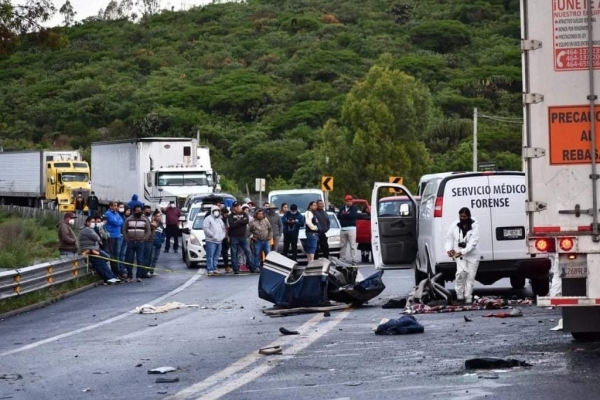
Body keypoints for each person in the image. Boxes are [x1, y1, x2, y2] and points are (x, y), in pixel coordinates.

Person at [445, 207, 480, 305]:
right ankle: (459, 296)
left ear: (468, 216)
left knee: (470, 277)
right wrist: (449, 250)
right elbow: (449, 238)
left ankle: (468, 297)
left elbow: (473, 242)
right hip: (459, 254)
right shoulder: (455, 225)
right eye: (461, 216)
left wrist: (463, 251)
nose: (462, 218)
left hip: (472, 255)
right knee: (460, 274)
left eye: (465, 216)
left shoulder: (474, 225)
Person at [79, 216, 120, 284]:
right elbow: (97, 237)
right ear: (87, 222)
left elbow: (99, 237)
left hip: (94, 249)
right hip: (89, 250)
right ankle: (109, 278)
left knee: (104, 260)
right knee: (100, 263)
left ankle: (112, 276)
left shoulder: (90, 229)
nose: (94, 223)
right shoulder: (87, 229)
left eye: (94, 222)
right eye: (92, 222)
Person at [228, 201, 260, 274]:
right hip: (234, 236)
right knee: (234, 253)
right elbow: (231, 225)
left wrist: (237, 221)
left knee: (248, 252)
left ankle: (252, 268)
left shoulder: (244, 213)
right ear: (233, 207)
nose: (238, 207)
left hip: (243, 236)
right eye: (236, 206)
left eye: (239, 206)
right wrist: (240, 222)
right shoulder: (230, 215)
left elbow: (246, 221)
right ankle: (235, 269)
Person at [122, 205, 151, 282]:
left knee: (140, 259)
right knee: (129, 259)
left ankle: (138, 276)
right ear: (134, 211)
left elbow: (148, 231)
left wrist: (144, 239)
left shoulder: (145, 219)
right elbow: (124, 230)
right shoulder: (129, 219)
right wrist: (127, 239)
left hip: (140, 243)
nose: (139, 212)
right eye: (137, 211)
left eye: (140, 210)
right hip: (131, 242)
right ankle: (129, 276)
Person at [104, 201, 127, 279]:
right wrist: (119, 221)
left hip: (117, 236)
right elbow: (116, 223)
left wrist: (119, 221)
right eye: (114, 205)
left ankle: (117, 271)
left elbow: (121, 221)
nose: (116, 207)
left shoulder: (116, 213)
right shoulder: (108, 214)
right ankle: (114, 272)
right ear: (110, 206)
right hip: (111, 236)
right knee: (113, 254)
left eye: (116, 206)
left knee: (117, 254)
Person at [203, 205, 227, 276]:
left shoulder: (220, 220)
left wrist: (222, 236)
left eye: (218, 211)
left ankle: (214, 268)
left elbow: (223, 229)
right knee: (210, 256)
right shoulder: (208, 219)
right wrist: (212, 235)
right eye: (215, 211)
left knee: (216, 256)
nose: (216, 212)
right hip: (211, 241)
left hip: (219, 241)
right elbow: (205, 228)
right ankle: (210, 269)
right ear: (212, 211)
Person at [337, 194, 358, 265]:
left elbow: (352, 216)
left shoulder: (354, 208)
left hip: (351, 229)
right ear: (345, 201)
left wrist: (344, 214)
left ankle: (354, 260)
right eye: (347, 201)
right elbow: (338, 216)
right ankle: (342, 259)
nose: (349, 202)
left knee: (352, 245)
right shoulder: (342, 208)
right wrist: (346, 214)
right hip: (343, 229)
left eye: (350, 201)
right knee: (343, 245)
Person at [141, 205, 156, 278]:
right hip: (146, 239)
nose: (148, 211)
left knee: (149, 257)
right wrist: (152, 225)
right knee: (146, 257)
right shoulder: (143, 217)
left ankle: (146, 271)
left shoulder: (148, 217)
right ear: (143, 211)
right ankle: (143, 272)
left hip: (150, 239)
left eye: (149, 210)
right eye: (147, 210)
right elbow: (148, 226)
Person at [149, 210, 165, 275]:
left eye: (159, 216)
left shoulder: (161, 225)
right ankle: (148, 271)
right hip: (152, 244)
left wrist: (162, 240)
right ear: (154, 217)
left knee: (155, 258)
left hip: (158, 244)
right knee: (151, 258)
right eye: (157, 216)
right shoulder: (152, 224)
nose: (158, 217)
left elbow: (163, 234)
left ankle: (152, 271)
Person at [221, 207, 232, 273]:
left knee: (225, 252)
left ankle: (226, 266)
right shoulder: (219, 219)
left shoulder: (227, 219)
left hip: (226, 237)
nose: (226, 216)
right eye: (225, 215)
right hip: (219, 238)